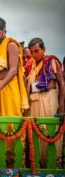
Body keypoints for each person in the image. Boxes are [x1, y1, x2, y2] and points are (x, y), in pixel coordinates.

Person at [0, 18, 29, 167]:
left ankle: (16, 165)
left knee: (11, 125)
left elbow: (12, 70)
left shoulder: (11, 45)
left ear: (4, 31)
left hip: (9, 90)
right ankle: (2, 165)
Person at [26, 38, 64, 168]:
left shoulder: (51, 61)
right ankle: (40, 168)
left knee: (51, 133)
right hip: (35, 104)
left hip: (49, 103)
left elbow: (58, 83)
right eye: (32, 52)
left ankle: (56, 167)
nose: (34, 54)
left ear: (43, 49)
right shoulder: (31, 66)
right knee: (38, 136)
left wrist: (62, 105)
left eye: (37, 51)